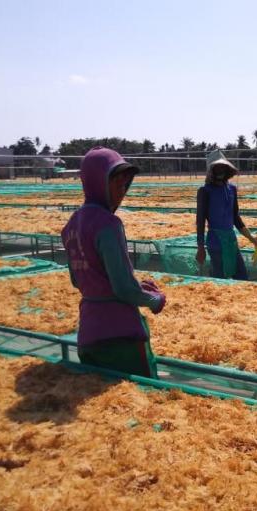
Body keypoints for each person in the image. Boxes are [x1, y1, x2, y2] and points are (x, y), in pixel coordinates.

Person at [61, 147, 166, 378]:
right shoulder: (108, 224)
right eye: (116, 182)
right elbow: (123, 288)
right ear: (98, 182)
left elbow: (77, 280)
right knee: (138, 400)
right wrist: (154, 299)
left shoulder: (70, 226)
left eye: (124, 183)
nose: (122, 190)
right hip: (119, 337)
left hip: (88, 334)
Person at [195, 150, 257, 279]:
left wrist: (251, 237)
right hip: (215, 241)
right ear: (211, 171)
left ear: (227, 169)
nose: (220, 171)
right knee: (219, 278)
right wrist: (200, 247)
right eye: (217, 168)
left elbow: (235, 217)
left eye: (223, 168)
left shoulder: (232, 189)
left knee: (242, 276)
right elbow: (200, 221)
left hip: (231, 240)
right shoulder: (205, 191)